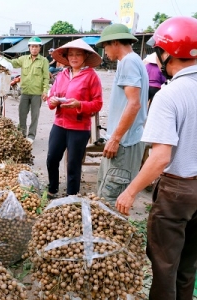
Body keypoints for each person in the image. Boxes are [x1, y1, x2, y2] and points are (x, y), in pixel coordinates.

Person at [115, 16, 197, 300]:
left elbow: (160, 157)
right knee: (189, 264)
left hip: (177, 191)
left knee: (164, 267)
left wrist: (130, 191)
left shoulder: (169, 95)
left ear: (168, 54)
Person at [94, 24, 149, 204]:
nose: (105, 52)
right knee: (109, 195)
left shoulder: (128, 62)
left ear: (115, 42)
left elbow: (134, 104)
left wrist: (115, 138)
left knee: (109, 201)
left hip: (124, 143)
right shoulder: (134, 61)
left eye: (105, 46)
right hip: (128, 140)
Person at [46, 39, 103, 198]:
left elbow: (97, 104)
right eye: (71, 54)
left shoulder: (92, 76)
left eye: (78, 54)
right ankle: (53, 189)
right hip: (59, 124)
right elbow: (52, 97)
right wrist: (52, 101)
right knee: (52, 158)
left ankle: (72, 196)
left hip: (79, 128)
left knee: (73, 164)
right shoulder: (61, 75)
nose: (74, 57)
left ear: (85, 56)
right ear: (66, 56)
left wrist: (79, 104)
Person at [9, 36, 49, 143]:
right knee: (22, 114)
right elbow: (12, 63)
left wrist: (45, 91)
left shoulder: (44, 61)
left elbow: (46, 77)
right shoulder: (23, 59)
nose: (34, 49)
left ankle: (31, 136)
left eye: (36, 47)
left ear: (40, 48)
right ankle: (21, 134)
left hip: (37, 93)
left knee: (34, 115)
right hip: (25, 92)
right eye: (32, 46)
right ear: (29, 48)